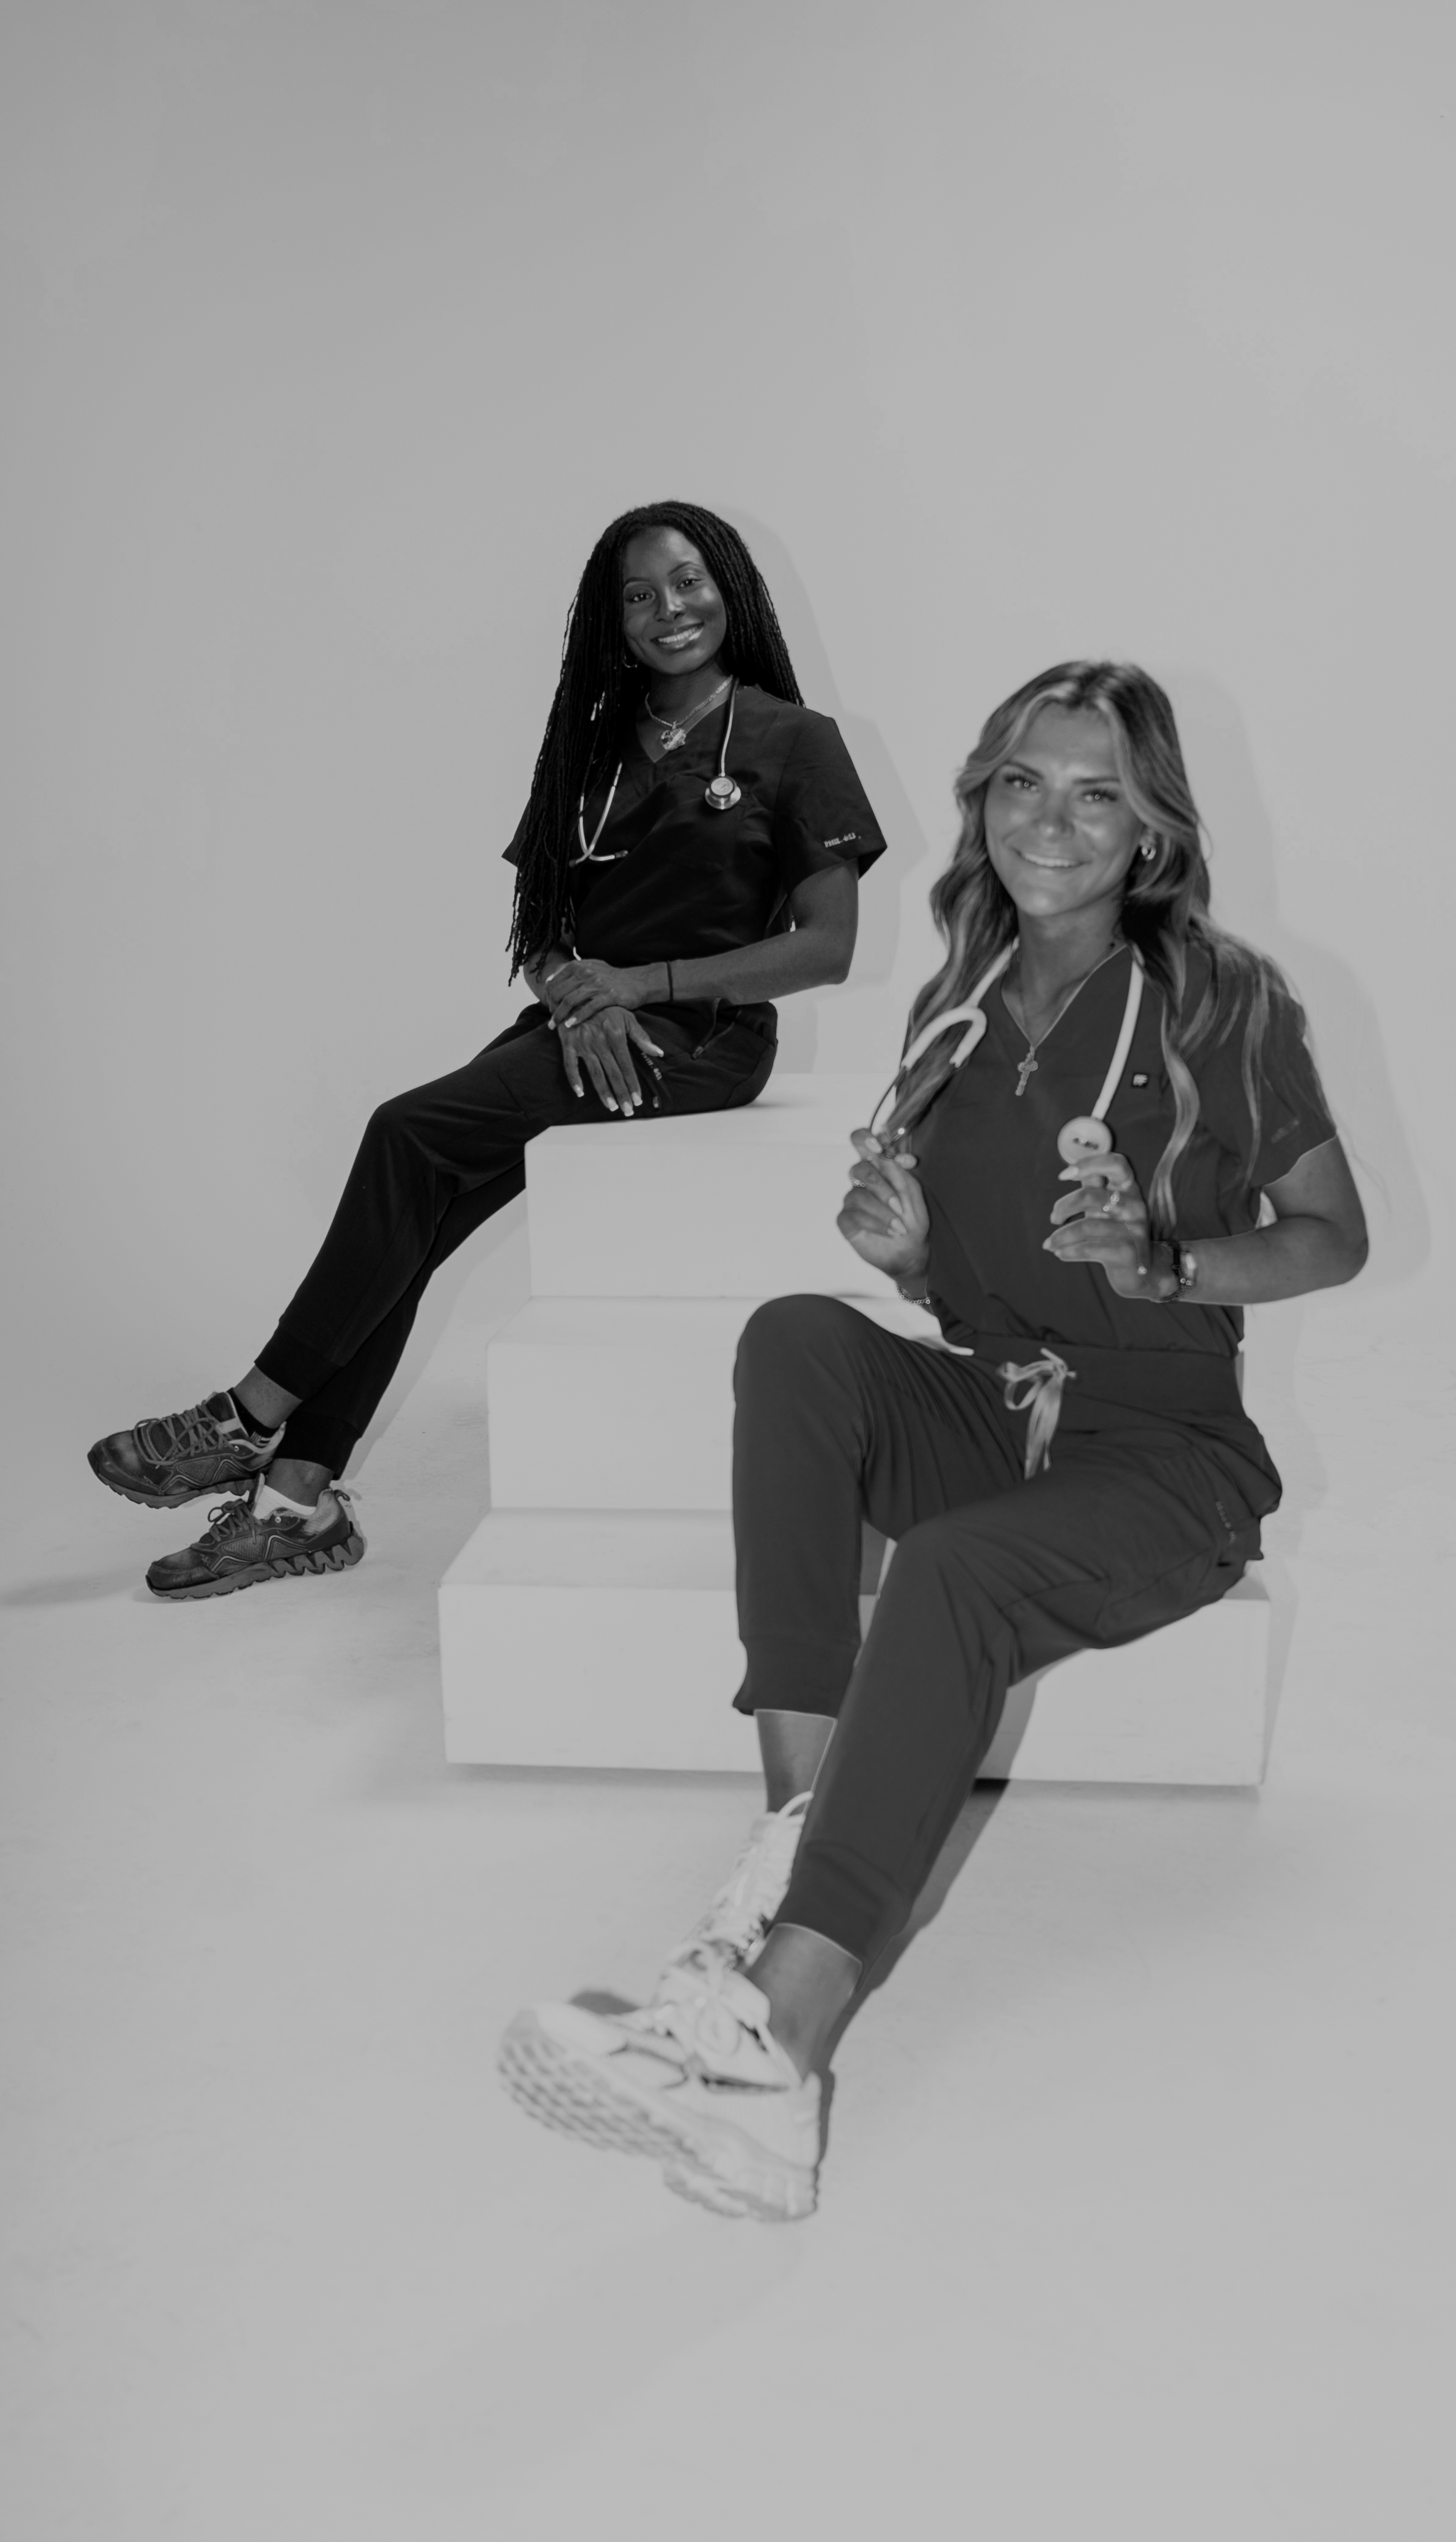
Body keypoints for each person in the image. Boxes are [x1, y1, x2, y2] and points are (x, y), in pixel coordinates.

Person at [498, 659, 1369, 2222]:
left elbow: (1332, 1234)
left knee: (952, 1570)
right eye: (1024, 781)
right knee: (797, 1334)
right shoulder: (951, 1012)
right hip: (997, 1402)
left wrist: (1167, 1261)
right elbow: (969, 1301)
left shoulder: (1223, 1001)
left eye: (1097, 792)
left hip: (1166, 1453)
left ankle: (777, 2050)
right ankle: (791, 1837)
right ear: (984, 799)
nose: (1052, 820)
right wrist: (905, 1260)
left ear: (1152, 829)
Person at [88, 504, 886, 1599]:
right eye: (639, 595)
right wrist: (580, 1002)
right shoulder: (590, 747)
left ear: (732, 591)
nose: (669, 610)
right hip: (576, 1030)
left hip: (704, 1040)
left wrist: (640, 987)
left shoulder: (796, 740)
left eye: (689, 582)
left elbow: (827, 949)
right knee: (413, 1222)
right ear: (611, 623)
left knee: (406, 1133)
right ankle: (295, 1507)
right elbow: (543, 930)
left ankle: (249, 1414)